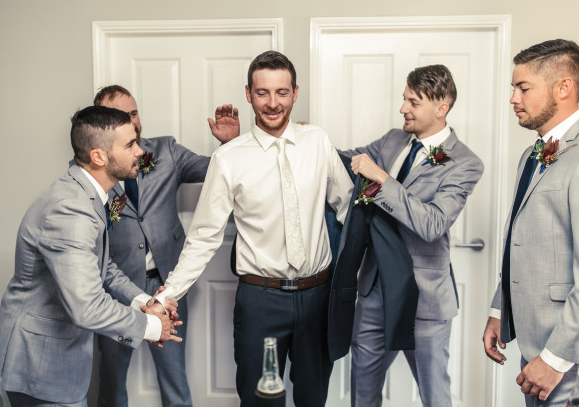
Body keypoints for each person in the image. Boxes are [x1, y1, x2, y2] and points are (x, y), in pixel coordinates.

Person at [151, 50, 353, 407]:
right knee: (261, 400)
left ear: (295, 93)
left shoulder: (318, 141)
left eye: (282, 92)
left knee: (313, 399)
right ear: (248, 94)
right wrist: (169, 294)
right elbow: (204, 236)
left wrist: (356, 276)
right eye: (263, 93)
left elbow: (347, 207)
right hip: (261, 302)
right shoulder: (228, 158)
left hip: (318, 297)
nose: (273, 103)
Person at [0, 106, 181, 407]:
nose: (140, 152)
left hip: (55, 360)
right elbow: (87, 307)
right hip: (38, 365)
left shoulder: (89, 195)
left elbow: (103, 266)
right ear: (99, 156)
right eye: (130, 144)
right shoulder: (71, 209)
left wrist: (144, 302)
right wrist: (153, 327)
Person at [344, 64, 484, 407]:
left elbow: (433, 224)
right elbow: (348, 162)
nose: (402, 108)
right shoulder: (393, 140)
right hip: (374, 290)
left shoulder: (465, 163)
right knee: (362, 392)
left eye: (413, 102)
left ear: (441, 108)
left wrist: (382, 180)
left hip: (426, 297)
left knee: (434, 395)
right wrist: (310, 142)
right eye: (404, 99)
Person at [93, 85, 239, 407]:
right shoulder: (93, 167)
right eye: (121, 116)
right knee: (111, 383)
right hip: (115, 291)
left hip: (166, 287)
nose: (132, 122)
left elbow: (214, 171)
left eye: (133, 113)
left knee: (174, 379)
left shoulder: (165, 151)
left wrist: (229, 145)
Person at [482, 39, 579, 406]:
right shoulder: (531, 154)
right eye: (513, 88)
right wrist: (500, 310)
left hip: (569, 356)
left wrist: (554, 360)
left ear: (563, 87)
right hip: (533, 343)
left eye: (523, 88)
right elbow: (522, 243)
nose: (513, 98)